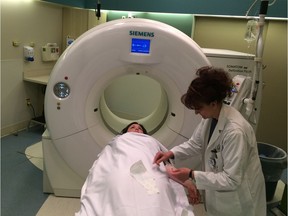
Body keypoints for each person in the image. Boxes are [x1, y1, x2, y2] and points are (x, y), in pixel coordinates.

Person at [153, 66, 266, 216]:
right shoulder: (211, 118)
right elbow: (195, 144)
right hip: (219, 197)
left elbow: (231, 180)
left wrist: (191, 174)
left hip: (239, 200)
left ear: (213, 103)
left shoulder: (235, 132)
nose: (196, 112)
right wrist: (171, 153)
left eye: (199, 108)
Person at [76, 122, 194, 216]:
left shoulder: (150, 141)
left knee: (156, 197)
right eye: (133, 127)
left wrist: (187, 182)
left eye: (140, 128)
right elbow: (106, 161)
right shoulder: (118, 140)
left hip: (151, 173)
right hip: (121, 171)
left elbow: (164, 164)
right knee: (119, 193)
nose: (137, 129)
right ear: (125, 132)